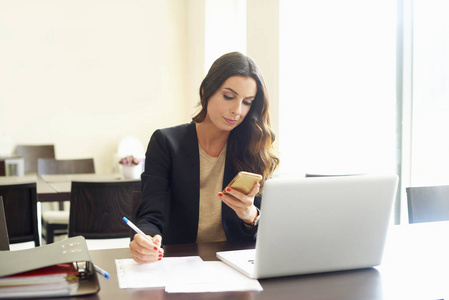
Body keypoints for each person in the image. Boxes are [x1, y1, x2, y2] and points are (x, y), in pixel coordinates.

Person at [129, 52, 280, 263]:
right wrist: (143, 238)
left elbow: (265, 233)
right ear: (206, 91)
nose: (237, 110)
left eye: (247, 102)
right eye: (228, 96)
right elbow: (151, 216)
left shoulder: (254, 148)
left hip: (236, 263)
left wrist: (250, 215)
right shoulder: (165, 142)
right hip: (181, 261)